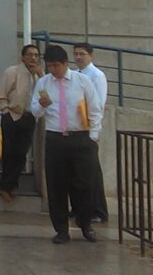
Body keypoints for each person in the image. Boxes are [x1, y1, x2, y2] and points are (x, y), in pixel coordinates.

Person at [30, 44, 102, 244]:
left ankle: (85, 223)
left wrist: (93, 136)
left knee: (84, 185)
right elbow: (34, 110)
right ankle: (61, 229)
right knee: (56, 186)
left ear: (65, 63)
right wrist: (40, 107)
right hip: (55, 138)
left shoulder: (82, 81)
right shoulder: (44, 83)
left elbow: (95, 108)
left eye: (56, 66)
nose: (53, 70)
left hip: (81, 137)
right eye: (49, 66)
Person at [0, 43, 42, 203]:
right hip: (12, 116)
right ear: (23, 57)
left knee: (21, 154)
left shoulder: (39, 77)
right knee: (9, 152)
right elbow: (0, 94)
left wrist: (41, 76)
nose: (33, 58)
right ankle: (5, 186)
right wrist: (6, 110)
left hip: (29, 117)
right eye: (30, 54)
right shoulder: (12, 72)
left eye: (36, 55)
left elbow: (46, 96)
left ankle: (11, 183)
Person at [74, 42, 109, 223]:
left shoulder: (96, 76)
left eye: (82, 54)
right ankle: (80, 207)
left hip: (89, 128)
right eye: (76, 54)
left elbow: (99, 103)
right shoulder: (76, 75)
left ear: (91, 56)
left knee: (92, 171)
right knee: (78, 172)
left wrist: (94, 130)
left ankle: (98, 210)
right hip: (77, 127)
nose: (78, 57)